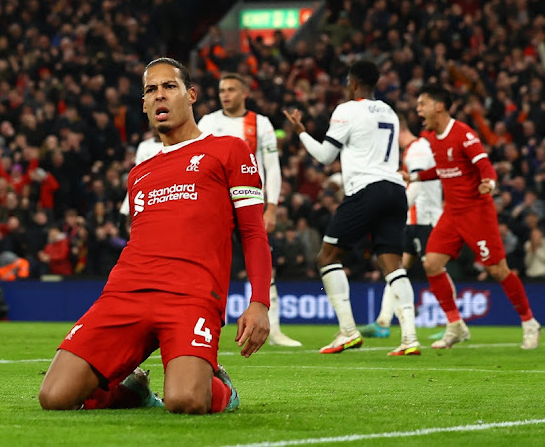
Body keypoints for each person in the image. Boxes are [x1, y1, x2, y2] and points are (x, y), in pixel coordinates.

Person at [38, 57, 271, 414]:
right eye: (151, 90)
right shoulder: (140, 174)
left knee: (186, 400)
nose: (159, 96)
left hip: (190, 294)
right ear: (144, 104)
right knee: (54, 397)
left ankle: (220, 387)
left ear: (190, 95)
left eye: (169, 86)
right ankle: (132, 391)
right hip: (127, 293)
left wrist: (259, 302)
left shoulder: (229, 150)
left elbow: (253, 232)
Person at [283, 60, 419, 356]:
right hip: (395, 189)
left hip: (366, 189)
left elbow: (324, 154)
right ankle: (410, 338)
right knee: (392, 265)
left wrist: (301, 132)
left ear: (353, 83)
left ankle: (348, 332)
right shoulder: (389, 112)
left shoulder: (346, 110)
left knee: (327, 257)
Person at [404, 85, 540, 349]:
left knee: (497, 270)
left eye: (423, 104)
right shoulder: (433, 137)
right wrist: (417, 176)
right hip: (452, 213)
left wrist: (488, 182)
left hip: (477, 212)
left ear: (439, 106)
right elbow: (444, 169)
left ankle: (529, 322)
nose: (419, 109)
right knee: (431, 264)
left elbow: (485, 166)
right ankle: (455, 324)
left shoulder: (463, 133)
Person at [198, 73, 302, 347]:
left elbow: (272, 167)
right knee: (209, 265)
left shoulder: (260, 123)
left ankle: (274, 328)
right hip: (214, 205)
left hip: (248, 203)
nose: (225, 94)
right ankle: (204, 326)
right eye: (222, 89)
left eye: (231, 89)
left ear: (244, 93)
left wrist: (271, 207)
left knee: (262, 261)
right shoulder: (208, 122)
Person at [360, 113, 444, 338]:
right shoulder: (416, 148)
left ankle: (451, 320)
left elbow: (415, 187)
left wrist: (397, 211)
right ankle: (383, 322)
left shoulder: (417, 150)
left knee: (436, 269)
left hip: (424, 219)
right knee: (396, 268)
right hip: (414, 220)